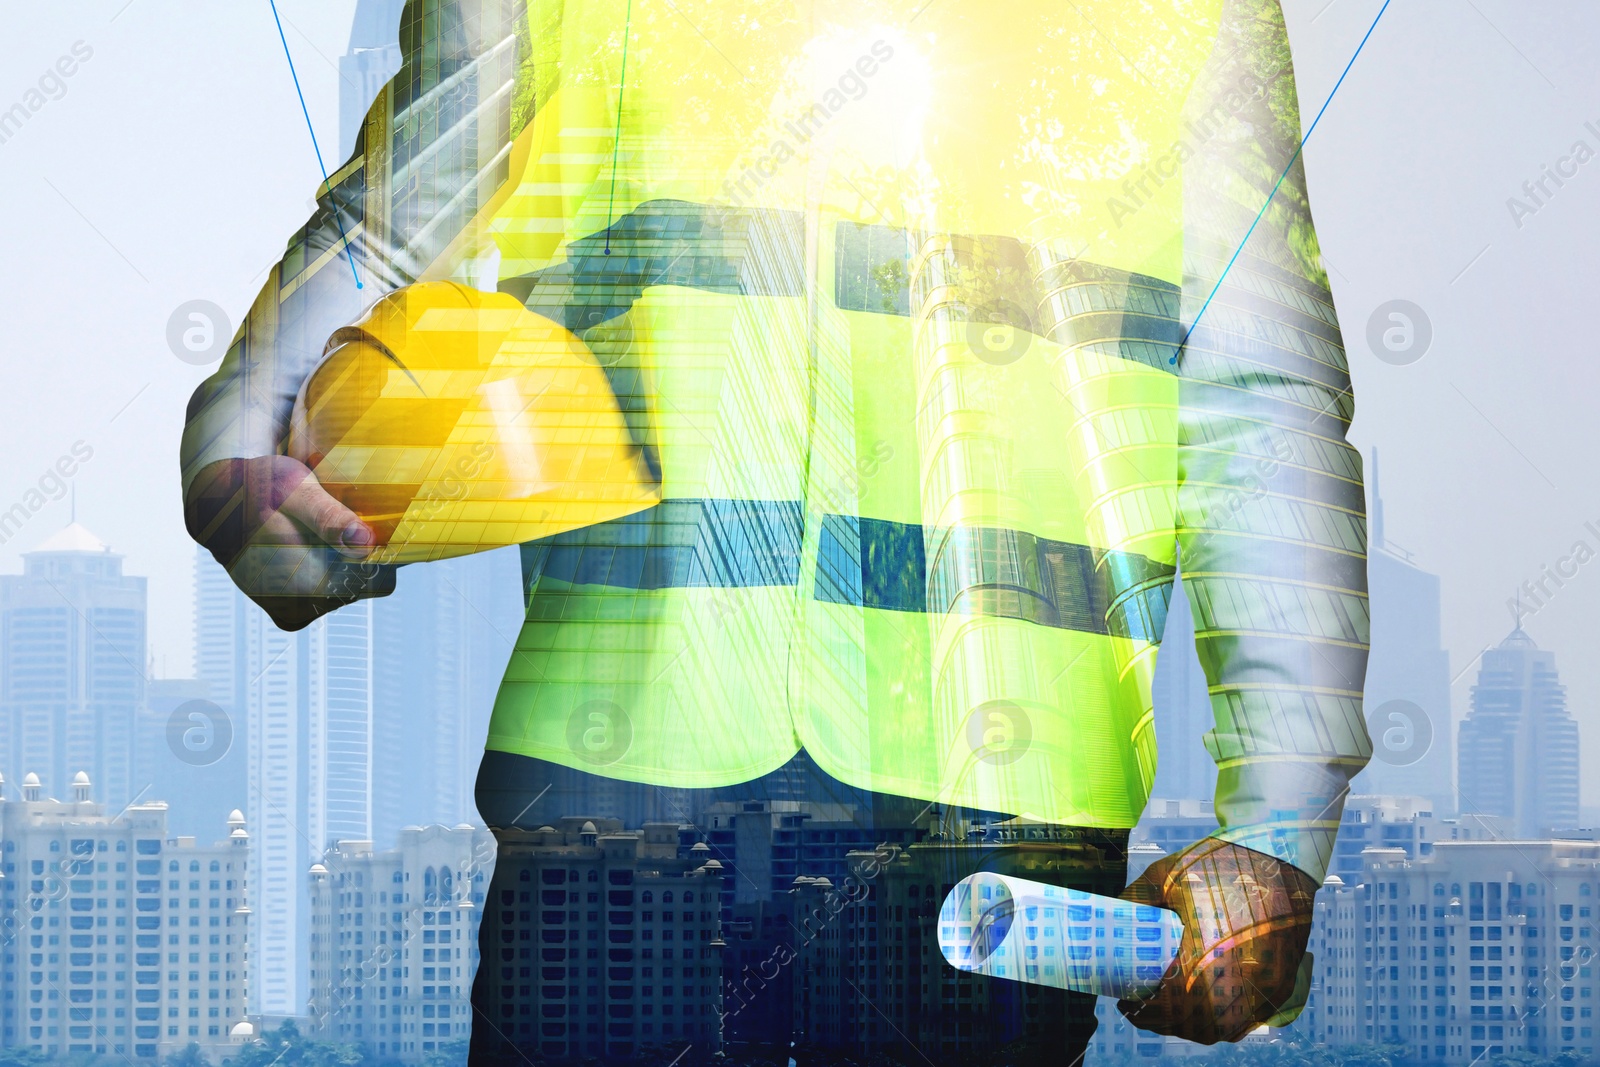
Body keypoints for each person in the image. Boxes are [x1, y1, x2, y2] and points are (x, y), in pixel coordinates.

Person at [181, 0, 1371, 1062]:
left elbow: (1255, 400)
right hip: (614, 801)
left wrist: (1276, 819)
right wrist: (240, 465)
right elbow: (388, 230)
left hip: (992, 841)